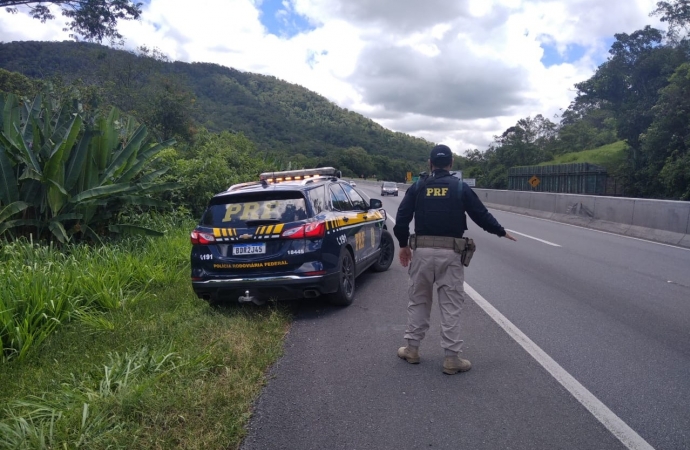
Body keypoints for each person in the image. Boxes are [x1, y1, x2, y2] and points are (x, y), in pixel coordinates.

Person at [393, 144, 517, 375]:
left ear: (430, 164)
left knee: (419, 301)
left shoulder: (418, 186)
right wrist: (500, 231)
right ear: (451, 165)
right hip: (451, 254)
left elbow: (401, 219)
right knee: (450, 305)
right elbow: (481, 215)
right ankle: (451, 359)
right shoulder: (460, 188)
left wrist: (403, 245)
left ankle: (412, 349)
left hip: (421, 252)